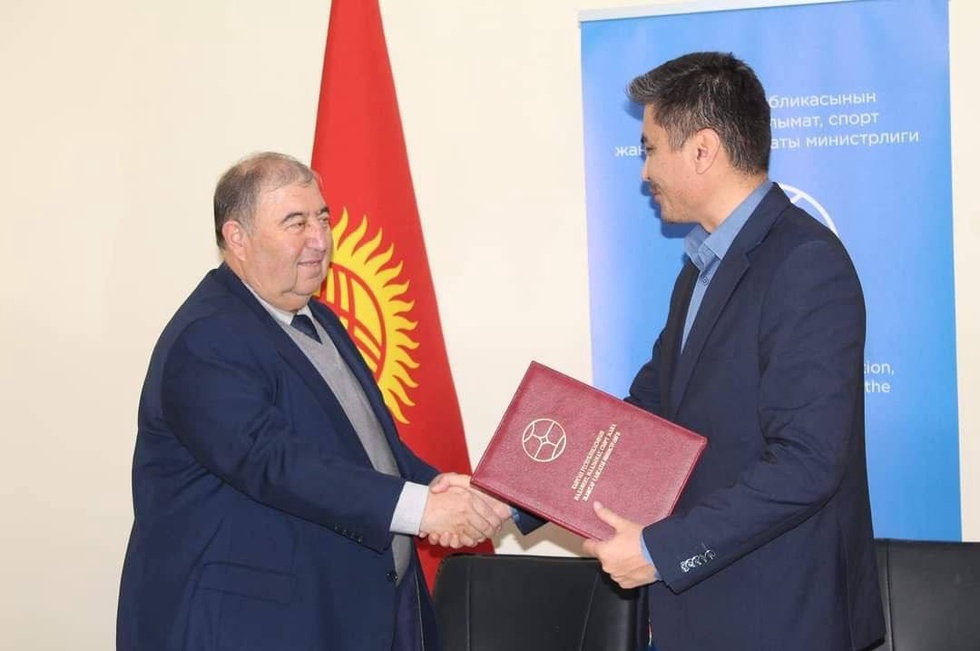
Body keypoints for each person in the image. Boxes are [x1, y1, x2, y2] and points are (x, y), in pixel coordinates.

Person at [116, 152, 509, 651]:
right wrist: (421, 509)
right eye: (295, 222)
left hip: (348, 613)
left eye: (322, 218)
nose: (320, 239)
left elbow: (366, 446)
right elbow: (272, 462)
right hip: (245, 628)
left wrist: (435, 485)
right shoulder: (207, 338)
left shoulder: (319, 318)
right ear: (237, 237)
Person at [582, 52, 885, 651]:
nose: (644, 173)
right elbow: (645, 411)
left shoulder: (806, 263)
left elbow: (807, 463)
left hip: (779, 620)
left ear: (702, 150)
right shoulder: (700, 269)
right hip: (704, 614)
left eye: (650, 149)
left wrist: (661, 551)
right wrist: (513, 494)